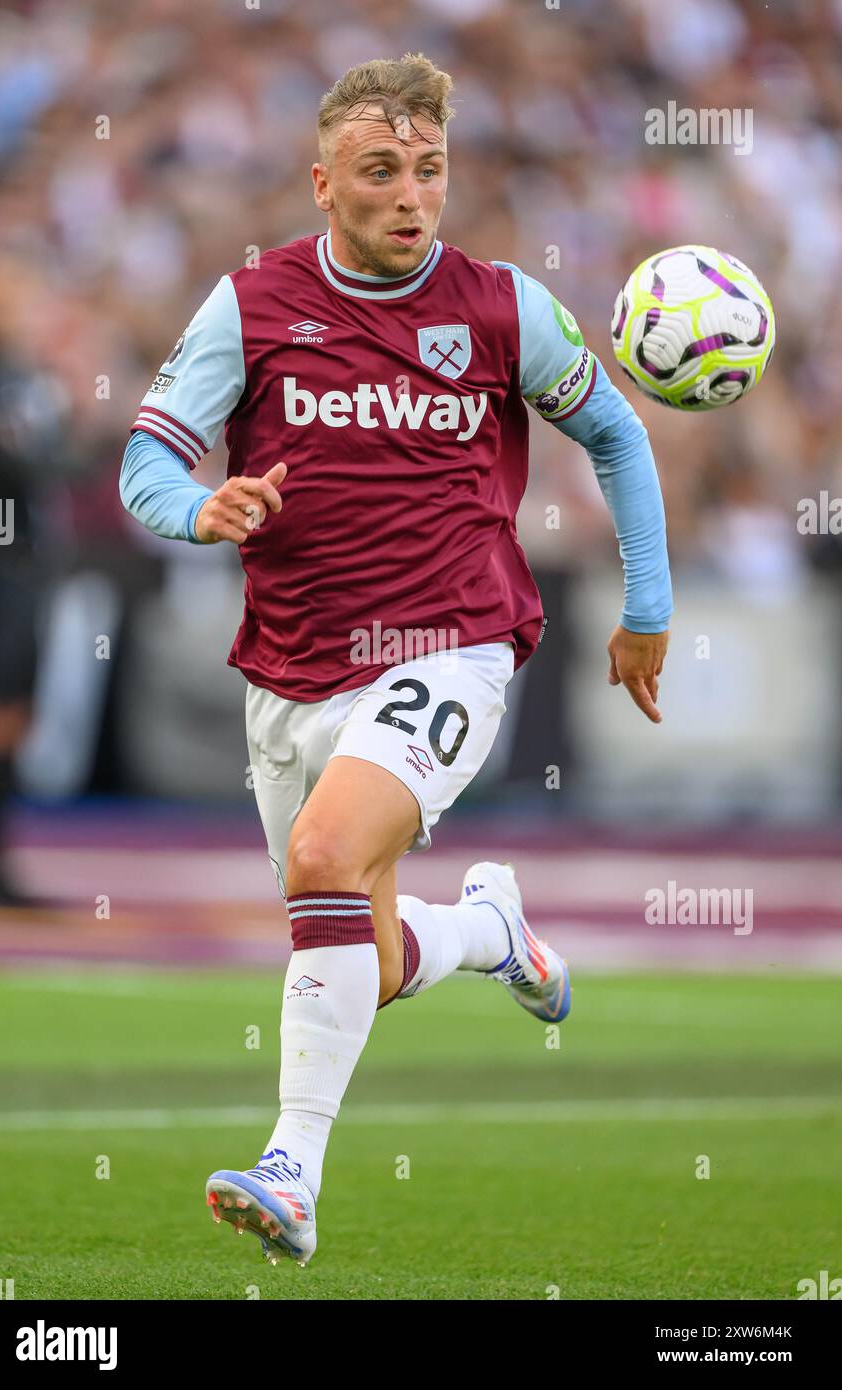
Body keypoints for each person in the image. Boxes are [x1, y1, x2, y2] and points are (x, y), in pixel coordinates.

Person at [119, 53, 672, 1267]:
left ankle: (292, 1169)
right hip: (288, 668)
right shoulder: (251, 304)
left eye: (429, 170)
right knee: (359, 948)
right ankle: (487, 933)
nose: (412, 195)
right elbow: (146, 461)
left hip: (451, 642)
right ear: (325, 184)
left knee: (323, 853)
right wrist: (198, 509)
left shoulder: (503, 308)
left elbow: (619, 433)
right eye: (381, 172)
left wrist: (648, 604)